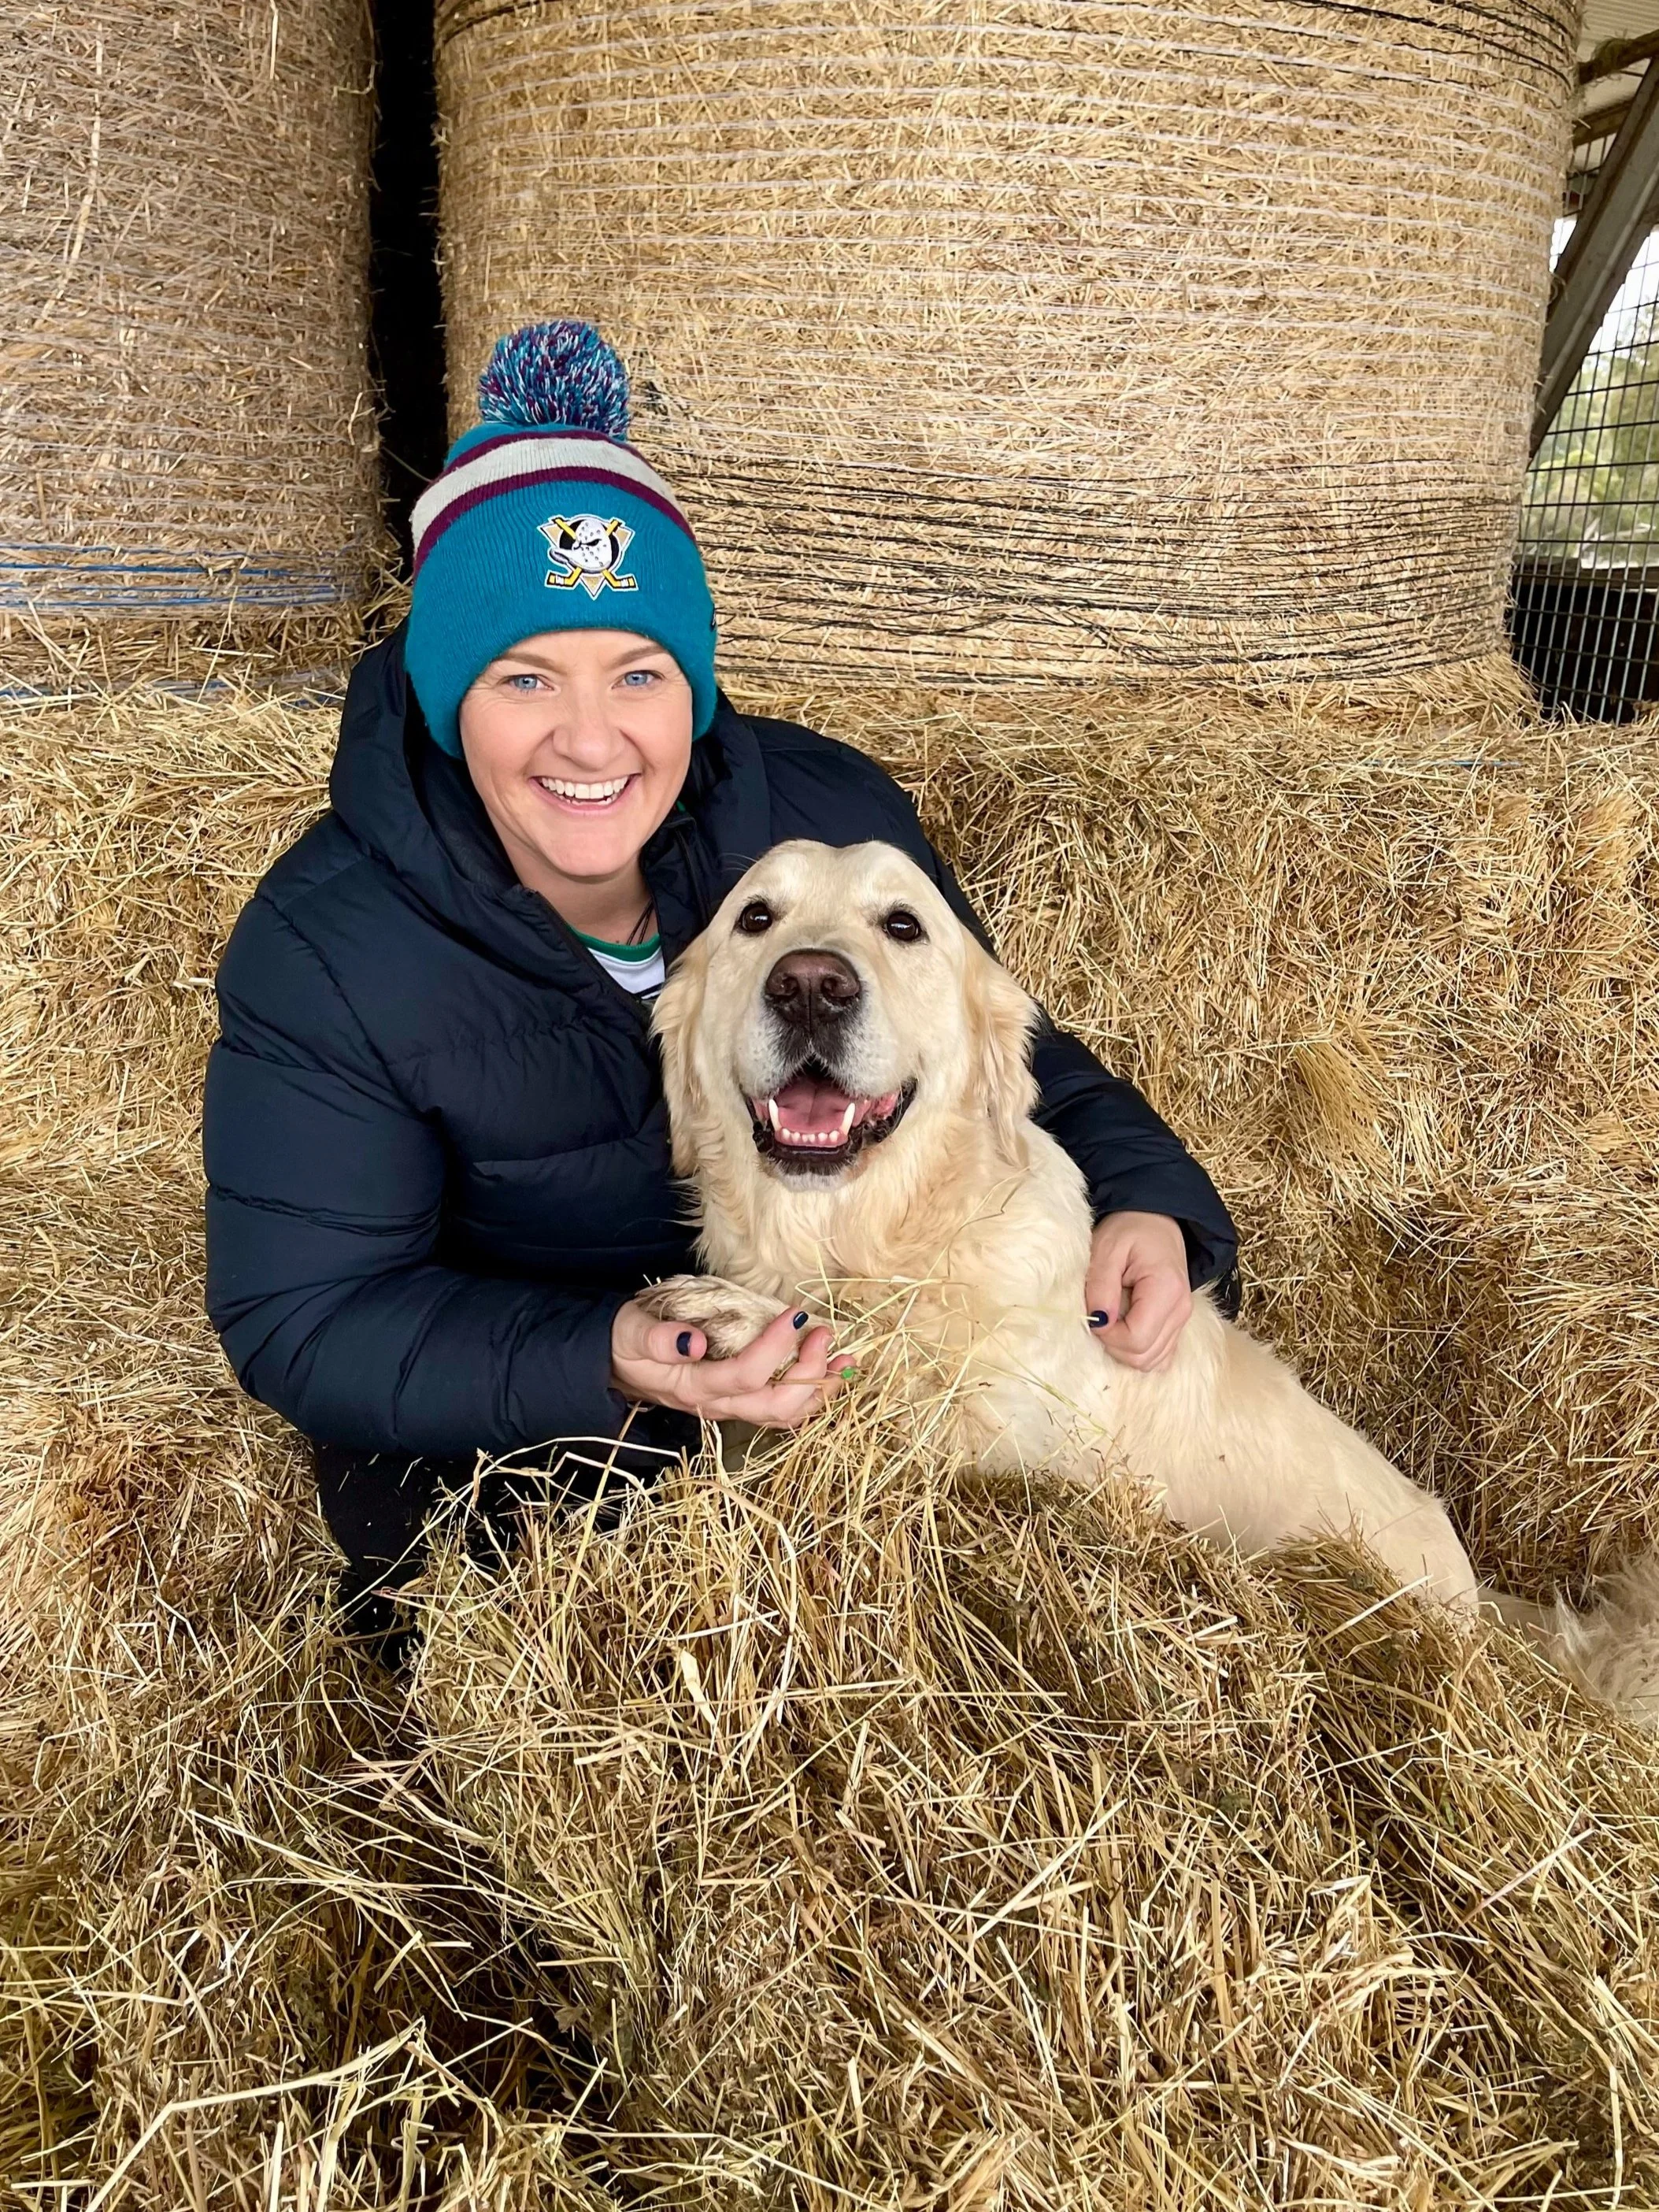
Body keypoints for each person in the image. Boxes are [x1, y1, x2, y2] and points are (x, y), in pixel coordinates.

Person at [203, 321, 1238, 1617]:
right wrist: (616, 1358)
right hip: (535, 1415)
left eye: (638, 672)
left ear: (689, 688)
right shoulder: (326, 947)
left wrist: (1152, 1202)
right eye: (523, 677)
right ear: (443, 696)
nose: (591, 737)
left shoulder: (819, 813)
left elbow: (976, 1037)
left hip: (838, 1364)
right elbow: (309, 1315)